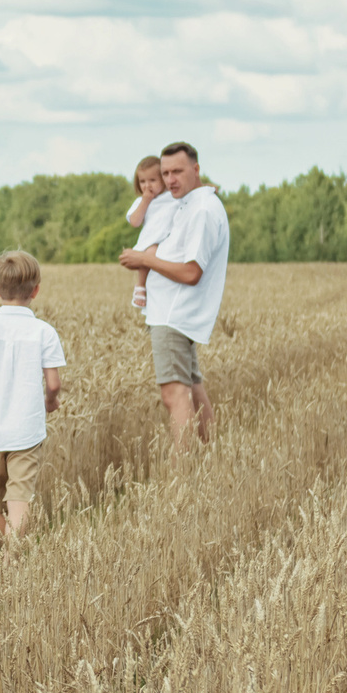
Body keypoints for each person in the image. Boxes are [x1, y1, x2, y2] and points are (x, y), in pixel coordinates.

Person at [118, 141, 229, 456]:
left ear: (195, 169)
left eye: (178, 171)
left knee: (174, 395)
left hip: (174, 314)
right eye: (165, 173)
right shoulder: (190, 203)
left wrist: (145, 260)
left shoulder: (202, 210)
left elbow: (192, 272)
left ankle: (184, 480)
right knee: (193, 388)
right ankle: (210, 459)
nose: (170, 180)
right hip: (175, 312)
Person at [0, 250, 67, 538]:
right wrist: (50, 401)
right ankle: (12, 559)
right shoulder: (44, 331)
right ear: (36, 291)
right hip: (27, 431)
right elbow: (53, 384)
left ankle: (9, 559)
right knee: (20, 498)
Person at [124, 154, 174, 312]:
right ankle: (141, 285)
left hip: (168, 238)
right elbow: (135, 221)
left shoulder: (171, 197)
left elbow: (190, 195)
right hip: (151, 240)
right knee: (149, 254)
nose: (147, 186)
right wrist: (146, 201)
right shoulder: (141, 202)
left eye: (152, 180)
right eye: (142, 181)